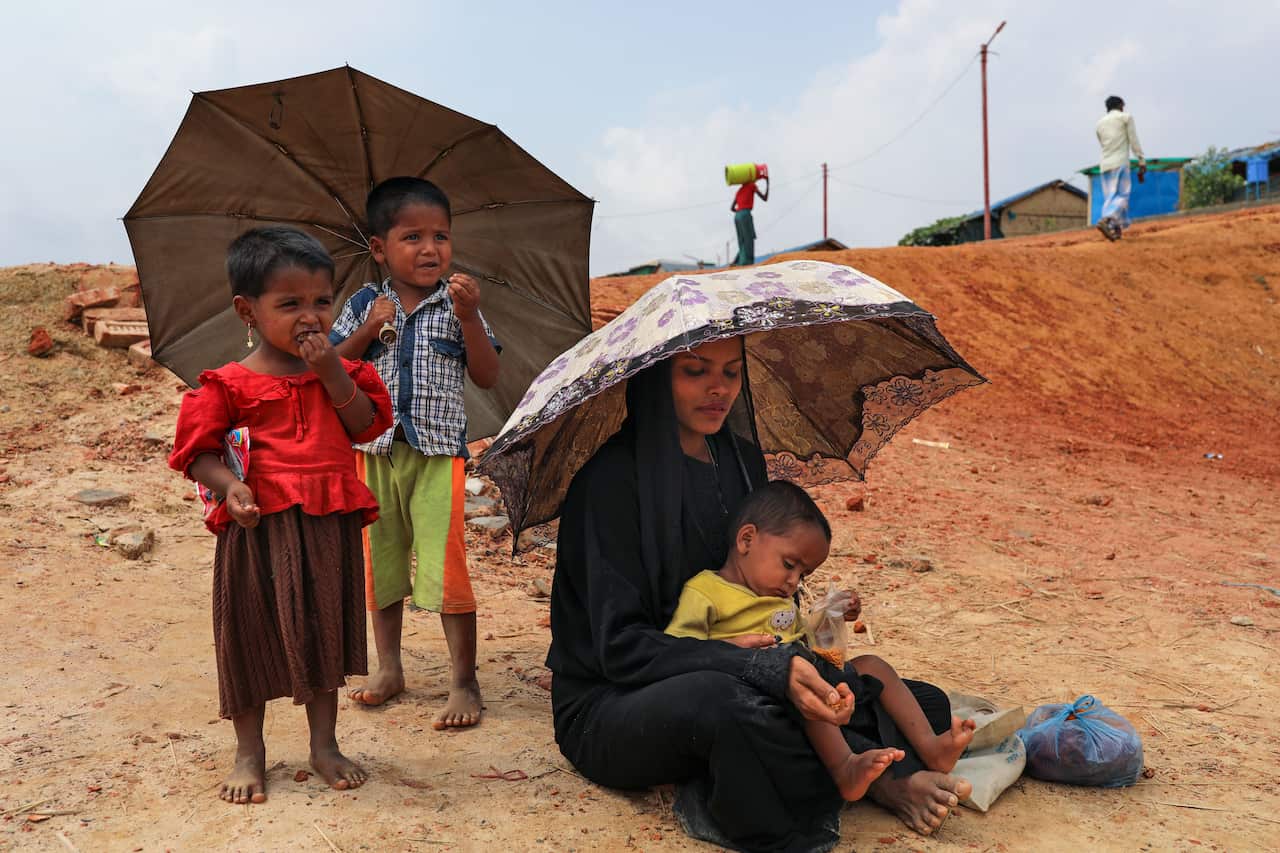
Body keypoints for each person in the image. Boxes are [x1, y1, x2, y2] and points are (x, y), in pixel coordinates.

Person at [547, 336, 972, 852]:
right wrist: (748, 666)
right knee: (733, 708)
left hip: (746, 677)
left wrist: (805, 654)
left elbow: (767, 599)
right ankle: (880, 781)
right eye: (694, 371)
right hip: (618, 701)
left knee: (914, 700)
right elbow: (619, 649)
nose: (717, 389)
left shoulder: (741, 463)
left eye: (730, 373)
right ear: (656, 378)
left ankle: (830, 768)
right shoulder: (608, 485)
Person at [169, 227, 393, 804]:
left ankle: (324, 744)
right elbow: (197, 454)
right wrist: (230, 486)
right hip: (256, 526)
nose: (310, 317)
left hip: (325, 523)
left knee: (321, 631)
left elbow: (367, 426)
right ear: (248, 310)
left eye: (322, 302)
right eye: (289, 304)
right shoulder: (229, 383)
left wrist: (333, 372)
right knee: (248, 634)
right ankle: (250, 751)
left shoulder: (343, 374)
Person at [666, 480, 977, 803]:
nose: (792, 582)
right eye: (789, 565)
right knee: (803, 687)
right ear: (746, 539)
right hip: (765, 689)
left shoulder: (778, 597)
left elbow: (804, 638)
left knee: (875, 666)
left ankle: (931, 747)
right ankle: (845, 767)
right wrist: (733, 648)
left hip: (817, 678)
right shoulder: (706, 591)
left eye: (803, 575)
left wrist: (833, 615)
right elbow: (679, 650)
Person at [330, 177, 501, 730]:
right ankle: (389, 668)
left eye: (441, 236)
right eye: (413, 237)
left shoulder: (457, 305)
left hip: (437, 455)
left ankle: (463, 681)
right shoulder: (363, 303)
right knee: (379, 565)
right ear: (379, 248)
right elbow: (330, 368)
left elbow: (488, 373)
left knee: (446, 566)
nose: (431, 249)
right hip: (374, 454)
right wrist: (370, 328)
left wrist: (472, 317)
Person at [1095, 95, 1146, 241]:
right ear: (1120, 105)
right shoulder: (1126, 118)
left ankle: (1115, 231)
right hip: (1120, 163)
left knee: (1111, 197)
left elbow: (1102, 143)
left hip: (1105, 165)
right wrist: (1141, 161)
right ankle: (1106, 220)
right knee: (1122, 196)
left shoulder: (1099, 124)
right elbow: (1133, 140)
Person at [731, 175, 768, 265]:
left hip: (737, 216)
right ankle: (745, 263)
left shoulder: (739, 191)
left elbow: (732, 208)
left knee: (742, 240)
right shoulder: (751, 185)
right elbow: (764, 198)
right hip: (745, 214)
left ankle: (737, 261)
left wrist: (739, 211)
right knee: (748, 239)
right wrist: (768, 183)